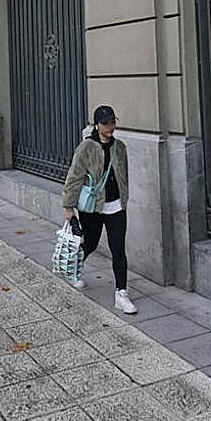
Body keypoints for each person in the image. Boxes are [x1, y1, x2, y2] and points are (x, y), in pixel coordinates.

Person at [62, 105, 136, 315]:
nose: (110, 127)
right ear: (97, 125)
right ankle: (74, 268)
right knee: (91, 243)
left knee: (118, 249)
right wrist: (69, 206)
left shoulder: (119, 148)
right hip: (92, 207)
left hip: (115, 206)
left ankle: (121, 294)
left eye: (113, 122)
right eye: (106, 123)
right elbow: (74, 176)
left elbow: (124, 175)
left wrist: (124, 198)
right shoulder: (86, 147)